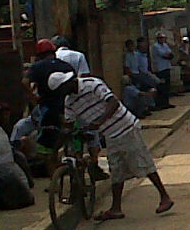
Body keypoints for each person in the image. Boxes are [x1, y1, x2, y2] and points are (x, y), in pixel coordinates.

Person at [48, 70, 174, 220]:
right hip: (110, 134)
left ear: (67, 84)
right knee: (117, 171)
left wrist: (99, 121)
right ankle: (116, 208)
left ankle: (164, 197)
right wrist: (55, 149)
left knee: (142, 162)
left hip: (125, 127)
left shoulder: (91, 84)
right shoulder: (69, 102)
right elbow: (68, 126)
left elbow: (113, 102)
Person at [24, 39, 74, 152]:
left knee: (46, 144)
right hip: (68, 107)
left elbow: (24, 82)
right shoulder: (66, 66)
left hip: (48, 108)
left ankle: (51, 163)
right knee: (72, 136)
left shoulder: (37, 67)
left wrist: (34, 98)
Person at [150, 31, 175, 109]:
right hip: (160, 68)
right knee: (161, 87)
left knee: (167, 86)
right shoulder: (156, 46)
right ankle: (160, 103)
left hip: (167, 67)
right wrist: (168, 55)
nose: (162, 39)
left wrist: (169, 55)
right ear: (158, 39)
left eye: (163, 38)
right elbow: (164, 55)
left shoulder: (165, 45)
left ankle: (166, 102)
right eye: (160, 38)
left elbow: (171, 54)